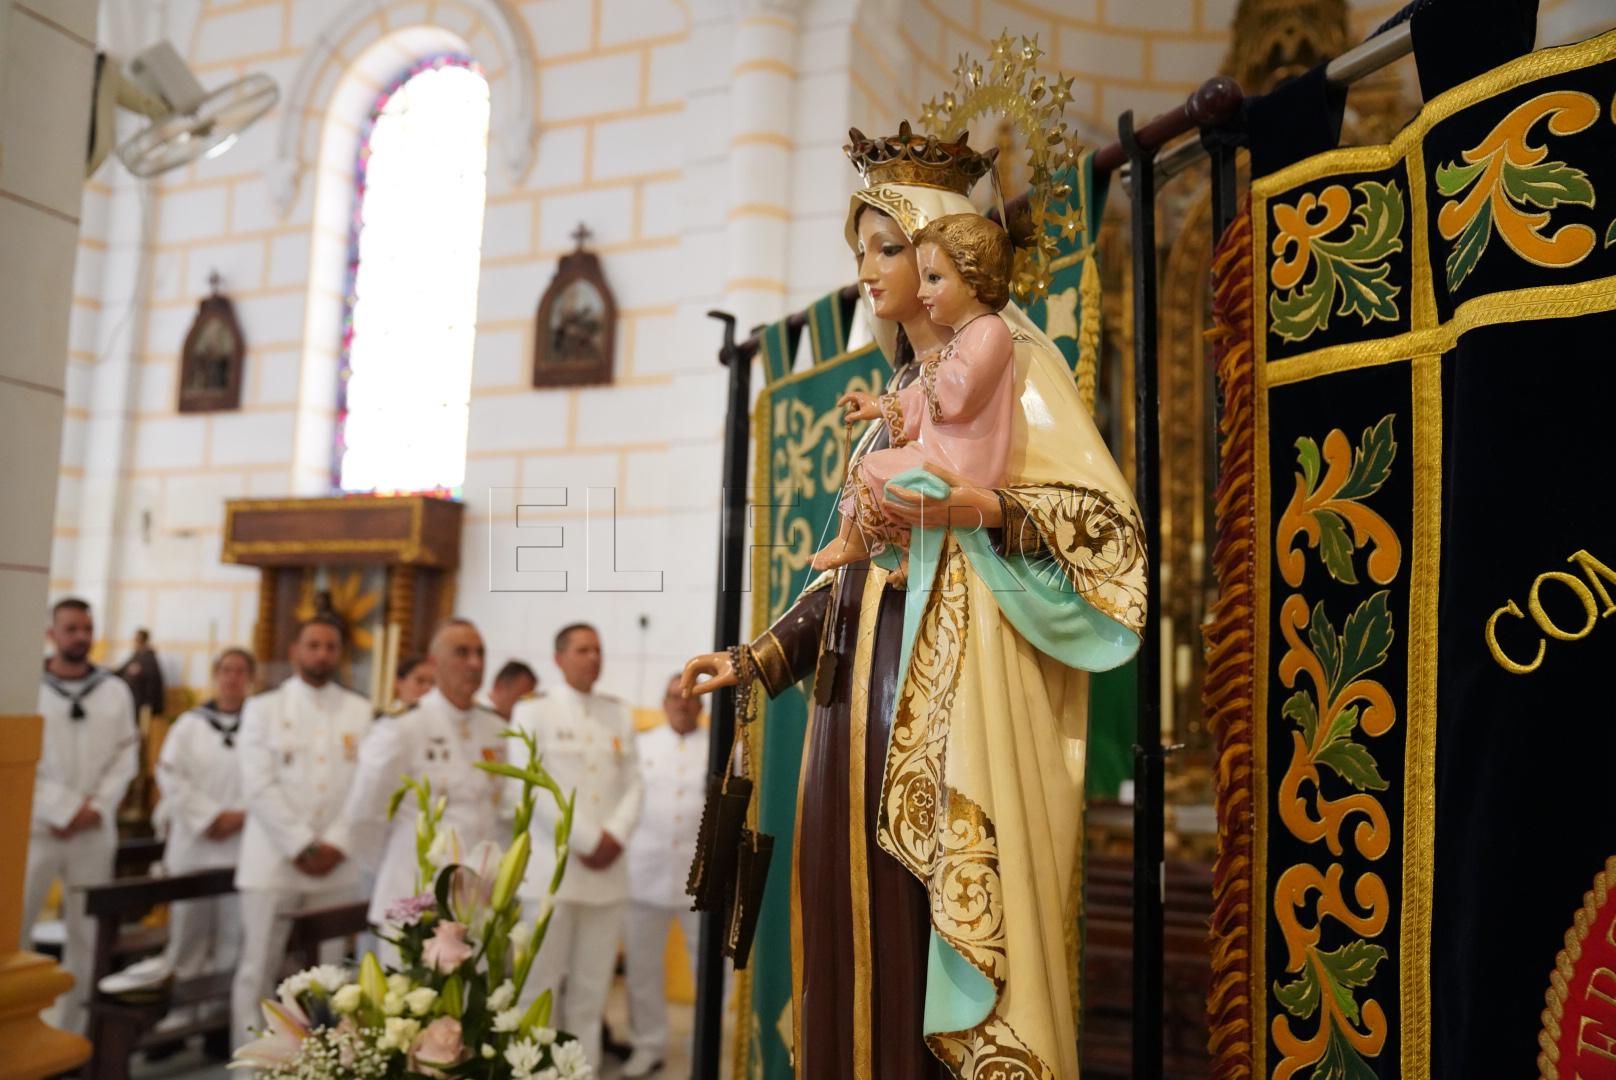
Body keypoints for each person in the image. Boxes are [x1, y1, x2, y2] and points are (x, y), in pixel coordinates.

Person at [682, 125, 1146, 1077]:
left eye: (889, 248)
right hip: (848, 708)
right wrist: (757, 658)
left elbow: (1107, 531)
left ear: (945, 255)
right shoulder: (900, 395)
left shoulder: (1013, 370)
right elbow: (845, 570)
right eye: (860, 253)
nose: (870, 271)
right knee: (842, 926)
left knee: (913, 923)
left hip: (951, 706)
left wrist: (984, 506)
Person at [813, 213, 1017, 578]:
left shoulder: (989, 332)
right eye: (861, 254)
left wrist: (932, 368)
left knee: (873, 469)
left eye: (933, 278)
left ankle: (855, 543)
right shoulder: (959, 342)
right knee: (881, 475)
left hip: (963, 466)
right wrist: (881, 405)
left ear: (972, 281)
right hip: (943, 456)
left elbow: (957, 395)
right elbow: (925, 397)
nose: (922, 292)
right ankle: (909, 555)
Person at [231, 615, 373, 1049]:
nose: (322, 654)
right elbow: (258, 784)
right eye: (313, 645)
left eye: (331, 646)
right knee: (259, 965)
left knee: (329, 973)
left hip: (335, 859)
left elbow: (366, 788)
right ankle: (253, 1064)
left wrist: (335, 843)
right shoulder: (263, 708)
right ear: (295, 651)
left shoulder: (360, 711)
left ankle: (323, 1062)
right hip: (273, 859)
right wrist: (300, 844)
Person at [99, 648, 256, 1031]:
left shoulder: (260, 726)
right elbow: (171, 776)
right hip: (196, 845)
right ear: (215, 676)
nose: (232, 678)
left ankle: (219, 1018)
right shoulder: (189, 725)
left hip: (242, 845)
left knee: (233, 937)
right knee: (188, 936)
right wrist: (209, 816)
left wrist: (239, 815)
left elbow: (268, 780)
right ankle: (182, 1013)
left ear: (250, 679)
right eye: (225, 670)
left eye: (240, 671)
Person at [513, 623, 643, 1071]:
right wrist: (588, 839)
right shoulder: (533, 714)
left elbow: (634, 785)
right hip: (555, 872)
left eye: (598, 649)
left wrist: (617, 834)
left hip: (607, 874)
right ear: (559, 658)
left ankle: (578, 1070)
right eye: (583, 649)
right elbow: (532, 788)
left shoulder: (618, 715)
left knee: (591, 991)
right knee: (539, 988)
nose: (594, 657)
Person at [346, 619, 508, 951]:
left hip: (476, 903)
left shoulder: (495, 729)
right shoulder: (405, 726)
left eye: (480, 653)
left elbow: (500, 814)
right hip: (413, 897)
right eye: (462, 653)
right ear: (434, 664)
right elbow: (364, 813)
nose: (475, 663)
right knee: (409, 1000)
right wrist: (397, 866)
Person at [24, 597, 139, 1034]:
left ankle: (73, 1033)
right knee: (15, 927)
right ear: (52, 633)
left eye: (87, 628)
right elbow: (18, 756)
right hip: (38, 828)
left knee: (87, 934)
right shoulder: (25, 684)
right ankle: (16, 1029)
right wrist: (62, 808)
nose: (81, 637)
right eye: (71, 628)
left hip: (92, 830)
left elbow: (126, 756)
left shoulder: (114, 690)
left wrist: (95, 806)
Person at [620, 674, 709, 1078]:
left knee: (708, 968)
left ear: (702, 706)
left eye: (690, 697)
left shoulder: (722, 746)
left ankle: (702, 1044)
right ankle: (648, 1043)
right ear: (663, 701)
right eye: (674, 695)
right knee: (641, 967)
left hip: (700, 876)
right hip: (644, 872)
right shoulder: (641, 746)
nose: (681, 703)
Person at [117, 626, 166, 719]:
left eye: (137, 639)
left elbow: (153, 682)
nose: (135, 642)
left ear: (143, 641)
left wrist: (149, 703)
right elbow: (121, 670)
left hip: (142, 704)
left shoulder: (149, 658)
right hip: (130, 700)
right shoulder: (136, 655)